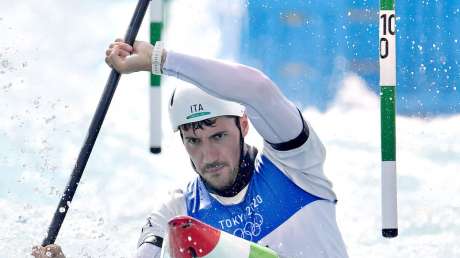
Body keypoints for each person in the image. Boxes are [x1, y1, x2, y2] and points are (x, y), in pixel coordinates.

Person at [34, 39, 348, 258]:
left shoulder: (295, 166)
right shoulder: (177, 213)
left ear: (244, 125)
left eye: (219, 137)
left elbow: (257, 89)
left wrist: (160, 60)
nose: (208, 156)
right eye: (193, 141)